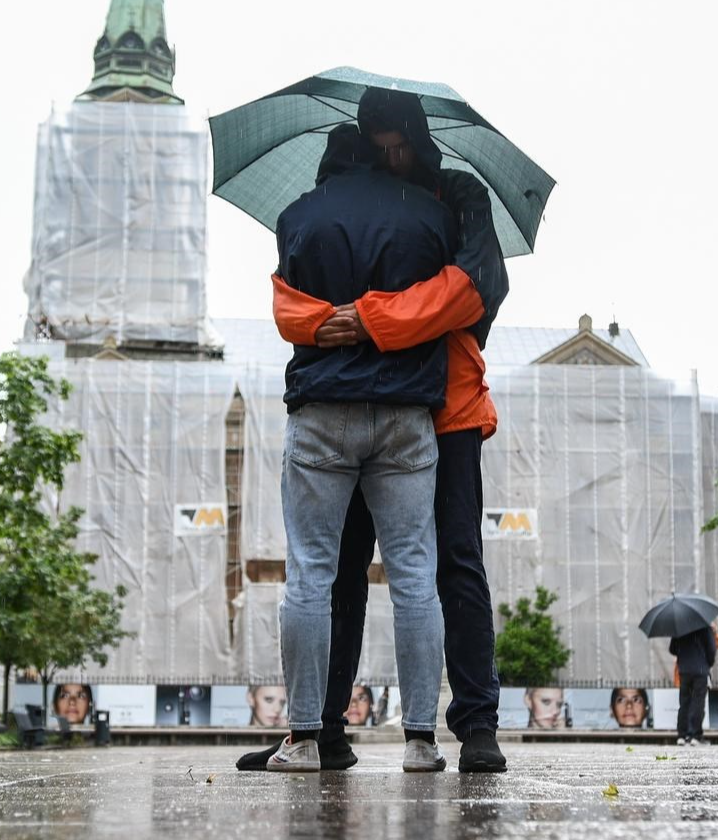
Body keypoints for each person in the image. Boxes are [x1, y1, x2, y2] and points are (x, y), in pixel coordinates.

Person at [240, 86, 511, 775]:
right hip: (391, 400)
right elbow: (300, 301)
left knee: (454, 561)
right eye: (380, 148)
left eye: (401, 147)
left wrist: (369, 320)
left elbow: (479, 287)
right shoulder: (389, 209)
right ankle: (321, 728)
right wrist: (344, 320)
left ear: (421, 142)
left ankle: (476, 724)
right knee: (342, 573)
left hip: (443, 402)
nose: (392, 160)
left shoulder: (457, 196)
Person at [263, 124, 453, 773]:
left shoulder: (298, 217)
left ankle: (307, 738)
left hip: (322, 412)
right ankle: (422, 741)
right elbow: (450, 304)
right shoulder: (429, 214)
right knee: (414, 576)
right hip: (406, 414)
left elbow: (290, 308)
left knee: (310, 574)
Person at [670, 624, 718, 745]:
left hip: (684, 670)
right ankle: (695, 735)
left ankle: (682, 735)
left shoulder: (679, 627)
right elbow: (711, 649)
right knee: (698, 702)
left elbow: (672, 649)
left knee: (684, 702)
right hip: (701, 670)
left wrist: (683, 653)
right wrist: (708, 663)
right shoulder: (705, 627)